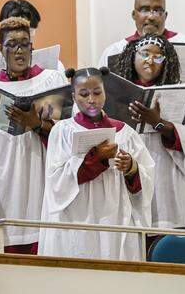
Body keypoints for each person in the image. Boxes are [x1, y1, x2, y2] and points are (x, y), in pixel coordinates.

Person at [98, 0, 185, 239]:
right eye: (145, 9)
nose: (151, 16)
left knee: (174, 229)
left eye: (157, 10)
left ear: (166, 14)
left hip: (174, 154)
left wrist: (167, 111)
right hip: (131, 150)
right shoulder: (114, 51)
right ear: (133, 14)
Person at [0, 16, 68, 254]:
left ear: (33, 47)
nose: (20, 50)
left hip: (43, 185)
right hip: (4, 188)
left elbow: (67, 140)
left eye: (25, 43)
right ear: (1, 50)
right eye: (12, 44)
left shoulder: (51, 81)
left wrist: (37, 125)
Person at [39, 67, 154, 261]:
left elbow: (147, 173)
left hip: (116, 215)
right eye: (84, 94)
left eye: (97, 92)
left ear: (105, 93)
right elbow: (56, 182)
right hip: (77, 217)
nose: (91, 99)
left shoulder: (125, 132)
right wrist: (96, 158)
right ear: (73, 96)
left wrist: (131, 167)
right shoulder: (63, 131)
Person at [109, 34, 185, 233]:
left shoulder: (178, 92)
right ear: (133, 55)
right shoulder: (114, 94)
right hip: (130, 168)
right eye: (144, 54)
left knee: (168, 236)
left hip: (167, 171)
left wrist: (158, 123)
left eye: (158, 57)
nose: (150, 61)